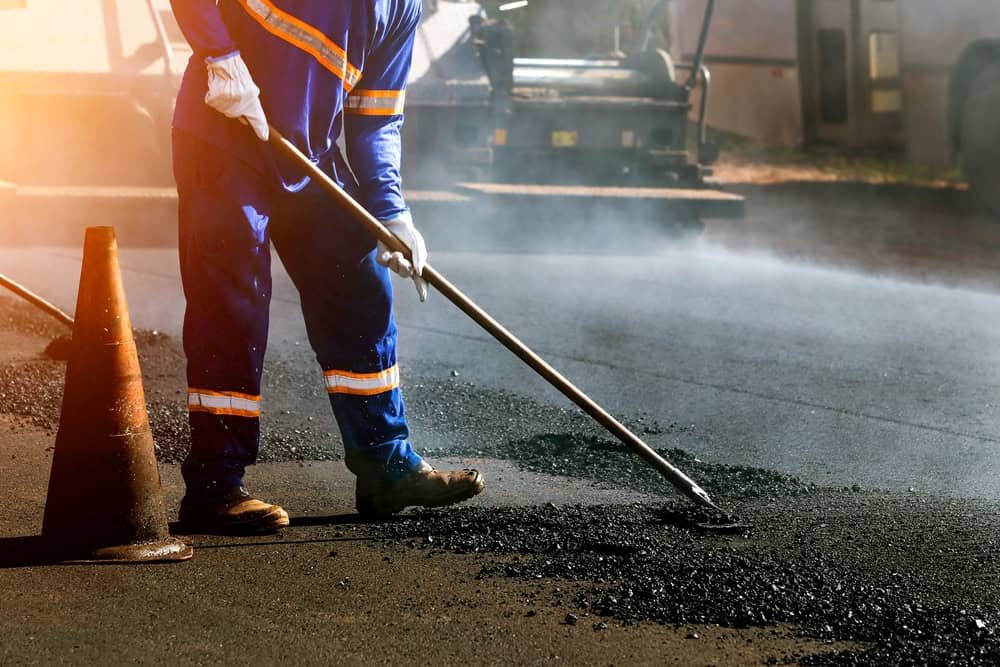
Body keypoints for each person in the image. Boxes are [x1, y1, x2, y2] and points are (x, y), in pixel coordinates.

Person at [169, 0, 485, 533]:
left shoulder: (401, 9)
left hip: (305, 157)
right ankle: (215, 486)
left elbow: (376, 120)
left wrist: (393, 214)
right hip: (225, 134)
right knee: (235, 301)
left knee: (360, 283)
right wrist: (219, 55)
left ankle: (385, 465)